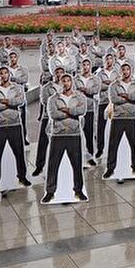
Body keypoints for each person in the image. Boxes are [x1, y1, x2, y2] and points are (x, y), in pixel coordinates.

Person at [42, 73, 88, 203]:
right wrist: (72, 111)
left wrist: (66, 110)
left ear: (71, 83)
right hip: (58, 134)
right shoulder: (53, 99)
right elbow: (54, 114)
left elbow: (82, 111)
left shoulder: (79, 97)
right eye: (63, 81)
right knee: (53, 164)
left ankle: (78, 190)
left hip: (74, 134)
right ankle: (50, 192)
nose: (66, 83)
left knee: (77, 164)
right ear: (60, 83)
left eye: (68, 81)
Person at [0, 67, 31, 192]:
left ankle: (22, 177)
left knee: (19, 152)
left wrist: (5, 101)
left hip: (14, 124)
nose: (4, 75)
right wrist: (11, 103)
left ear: (9, 75)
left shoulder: (18, 88)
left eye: (6, 73)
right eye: (1, 73)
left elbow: (20, 101)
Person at [104, 63, 135, 179]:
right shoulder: (113, 85)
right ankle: (110, 168)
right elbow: (114, 99)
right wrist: (130, 97)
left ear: (131, 71)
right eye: (123, 70)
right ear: (120, 71)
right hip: (118, 118)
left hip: (132, 117)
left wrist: (125, 95)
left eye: (128, 69)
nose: (125, 71)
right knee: (113, 144)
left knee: (134, 144)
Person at [75, 58, 100, 167]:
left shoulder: (95, 78)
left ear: (90, 66)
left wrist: (84, 90)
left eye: (87, 64)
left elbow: (96, 90)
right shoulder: (75, 79)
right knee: (79, 134)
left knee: (89, 133)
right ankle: (80, 156)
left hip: (89, 109)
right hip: (78, 110)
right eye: (83, 65)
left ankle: (91, 155)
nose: (85, 67)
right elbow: (74, 91)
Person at [95, 54, 118, 159]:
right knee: (101, 126)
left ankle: (114, 148)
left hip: (114, 102)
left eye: (110, 59)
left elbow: (118, 85)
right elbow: (98, 86)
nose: (109, 61)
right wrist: (110, 84)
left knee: (115, 126)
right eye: (107, 59)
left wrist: (108, 84)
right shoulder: (99, 73)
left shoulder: (117, 72)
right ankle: (100, 148)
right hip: (103, 101)